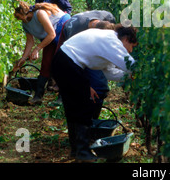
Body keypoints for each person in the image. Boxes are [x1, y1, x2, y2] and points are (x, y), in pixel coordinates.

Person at [51, 25, 138, 162]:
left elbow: (110, 72)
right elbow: (130, 65)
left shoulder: (108, 40)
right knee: (83, 106)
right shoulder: (112, 42)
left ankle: (77, 150)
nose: (131, 50)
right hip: (68, 63)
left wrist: (130, 77)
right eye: (132, 46)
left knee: (74, 108)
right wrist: (144, 73)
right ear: (126, 39)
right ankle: (82, 152)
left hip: (63, 62)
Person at [55, 10, 117, 117]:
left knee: (99, 85)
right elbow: (73, 65)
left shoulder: (108, 18)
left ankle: (92, 115)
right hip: (69, 50)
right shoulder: (75, 32)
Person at [13, 1, 71, 104]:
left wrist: (37, 49)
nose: (19, 19)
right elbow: (30, 41)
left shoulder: (39, 14)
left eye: (18, 16)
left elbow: (52, 35)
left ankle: (62, 97)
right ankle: (38, 96)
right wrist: (23, 58)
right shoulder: (25, 24)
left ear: (23, 12)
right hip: (50, 35)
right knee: (46, 63)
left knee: (61, 62)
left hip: (62, 27)